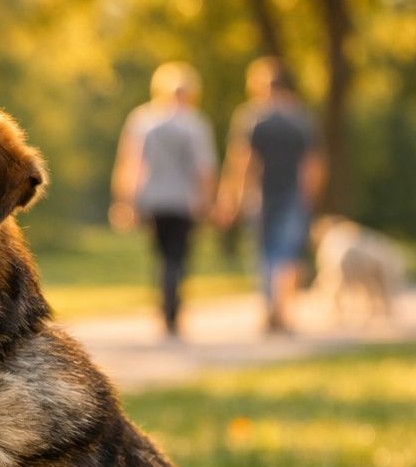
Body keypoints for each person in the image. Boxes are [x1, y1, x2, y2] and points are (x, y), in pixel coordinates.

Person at [215, 56, 327, 334]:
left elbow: (243, 162)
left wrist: (232, 198)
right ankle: (284, 311)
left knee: (266, 255)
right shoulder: (301, 118)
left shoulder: (253, 117)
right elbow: (313, 163)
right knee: (288, 255)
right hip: (293, 195)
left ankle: (270, 308)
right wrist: (309, 195)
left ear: (258, 86)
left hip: (262, 196)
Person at [109, 62, 218, 337]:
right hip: (184, 201)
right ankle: (173, 307)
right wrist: (206, 200)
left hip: (154, 199)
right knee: (178, 254)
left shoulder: (143, 120)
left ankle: (166, 306)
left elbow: (130, 164)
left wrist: (125, 201)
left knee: (162, 254)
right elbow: (204, 169)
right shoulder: (195, 123)